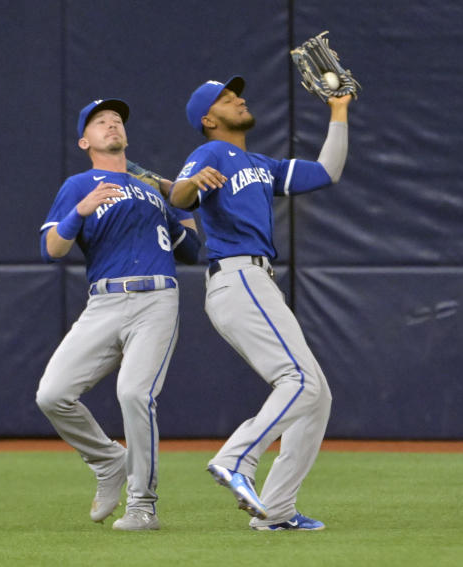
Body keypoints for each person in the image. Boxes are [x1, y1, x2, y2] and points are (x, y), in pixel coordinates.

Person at [169, 76, 353, 531]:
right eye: (227, 100)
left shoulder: (257, 162)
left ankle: (278, 510)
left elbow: (327, 171)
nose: (239, 99)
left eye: (237, 95)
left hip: (255, 281)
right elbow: (177, 196)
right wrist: (192, 182)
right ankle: (236, 460)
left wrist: (338, 111)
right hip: (238, 275)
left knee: (317, 395)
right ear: (209, 120)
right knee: (300, 381)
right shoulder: (212, 153)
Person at [36, 98, 200, 531]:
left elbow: (192, 251)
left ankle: (143, 504)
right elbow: (52, 250)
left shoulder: (154, 187)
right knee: (52, 394)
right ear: (84, 140)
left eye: (116, 120)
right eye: (100, 122)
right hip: (104, 302)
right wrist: (80, 211)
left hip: (156, 300)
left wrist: (176, 213)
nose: (111, 124)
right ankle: (109, 461)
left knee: (134, 394)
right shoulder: (78, 185)